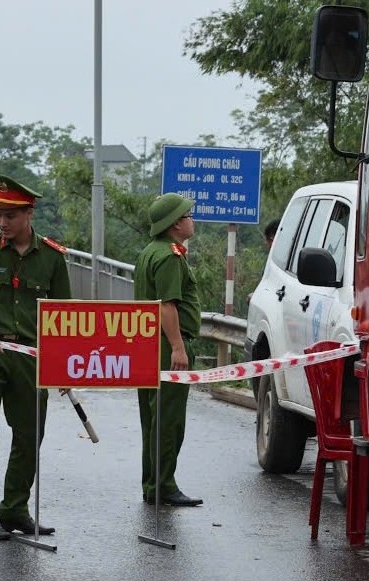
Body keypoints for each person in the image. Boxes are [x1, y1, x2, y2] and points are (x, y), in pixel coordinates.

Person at [0, 176, 73, 540]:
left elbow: (64, 317)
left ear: (28, 214)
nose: (2, 222)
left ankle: (15, 510)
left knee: (29, 433)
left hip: (29, 357)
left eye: (9, 215)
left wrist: (64, 367)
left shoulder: (53, 257)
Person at [134, 193, 203, 507]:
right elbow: (167, 306)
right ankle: (164, 484)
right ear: (176, 223)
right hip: (165, 343)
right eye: (188, 215)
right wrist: (178, 347)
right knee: (168, 419)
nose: (192, 220)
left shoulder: (151, 251)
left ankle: (153, 484)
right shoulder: (170, 256)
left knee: (152, 419)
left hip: (147, 343)